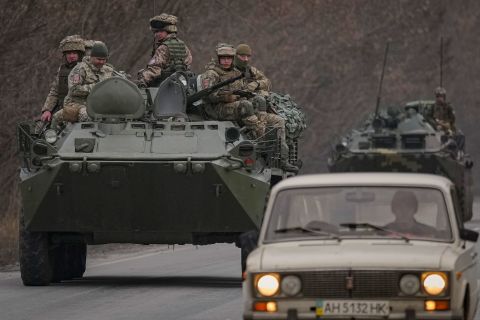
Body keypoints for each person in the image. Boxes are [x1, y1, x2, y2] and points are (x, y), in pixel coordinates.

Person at [234, 44, 298, 172]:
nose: (245, 59)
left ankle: (283, 160)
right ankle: (261, 143)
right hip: (239, 109)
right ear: (236, 56)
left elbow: (267, 82)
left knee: (279, 121)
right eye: (242, 56)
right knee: (257, 126)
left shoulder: (250, 71)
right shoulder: (230, 72)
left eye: (247, 56)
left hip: (256, 109)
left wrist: (256, 84)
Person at [200, 43, 264, 138]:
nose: (226, 61)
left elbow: (242, 88)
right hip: (216, 109)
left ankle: (260, 127)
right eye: (223, 58)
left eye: (229, 58)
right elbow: (208, 95)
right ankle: (260, 136)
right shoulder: (211, 74)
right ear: (218, 59)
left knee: (259, 101)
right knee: (245, 105)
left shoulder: (236, 72)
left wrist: (249, 93)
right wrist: (226, 97)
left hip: (234, 104)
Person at [51, 41, 114, 127]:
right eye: (99, 59)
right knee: (89, 116)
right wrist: (97, 87)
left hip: (100, 105)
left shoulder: (108, 70)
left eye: (104, 60)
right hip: (78, 104)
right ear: (92, 57)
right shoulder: (80, 69)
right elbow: (74, 89)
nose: (102, 62)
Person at [137, 13, 192, 87]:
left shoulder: (163, 47)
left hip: (164, 85)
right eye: (155, 32)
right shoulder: (183, 45)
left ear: (168, 31)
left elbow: (155, 68)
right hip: (181, 83)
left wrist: (143, 79)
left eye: (160, 31)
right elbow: (187, 64)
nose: (157, 34)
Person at [40, 35, 85, 122]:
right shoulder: (62, 69)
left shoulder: (86, 69)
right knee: (40, 129)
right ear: (65, 55)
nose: (72, 56)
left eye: (74, 53)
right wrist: (47, 110)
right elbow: (55, 91)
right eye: (69, 53)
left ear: (80, 54)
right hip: (62, 109)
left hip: (80, 110)